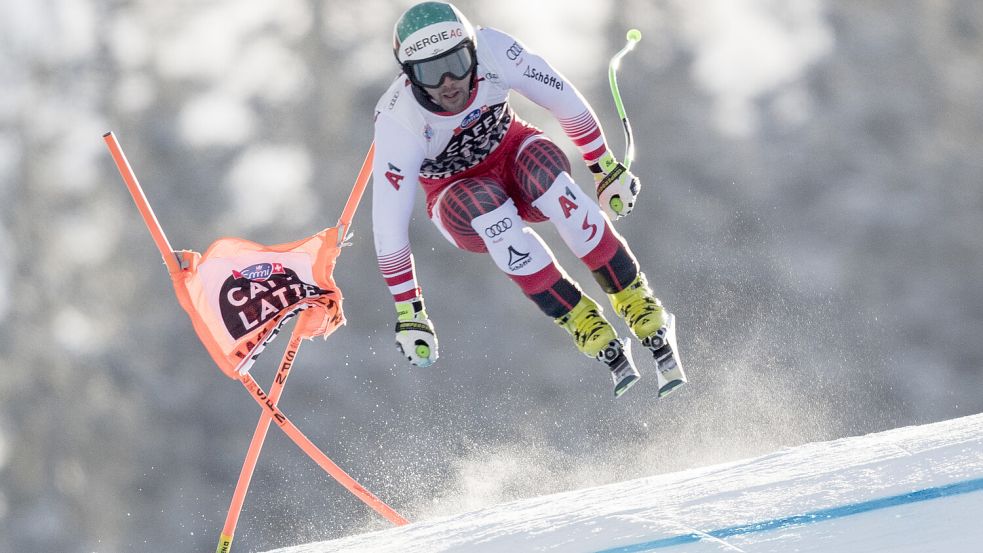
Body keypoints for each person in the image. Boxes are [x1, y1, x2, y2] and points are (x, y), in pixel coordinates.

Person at [371, 1, 685, 397]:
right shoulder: (398, 120)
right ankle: (582, 321)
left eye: (456, 63)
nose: (448, 82)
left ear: (472, 50)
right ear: (409, 75)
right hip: (456, 196)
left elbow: (564, 99)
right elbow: (388, 226)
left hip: (515, 157)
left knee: (547, 175)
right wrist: (409, 311)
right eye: (430, 73)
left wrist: (604, 168)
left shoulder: (495, 49)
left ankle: (636, 300)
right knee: (486, 209)